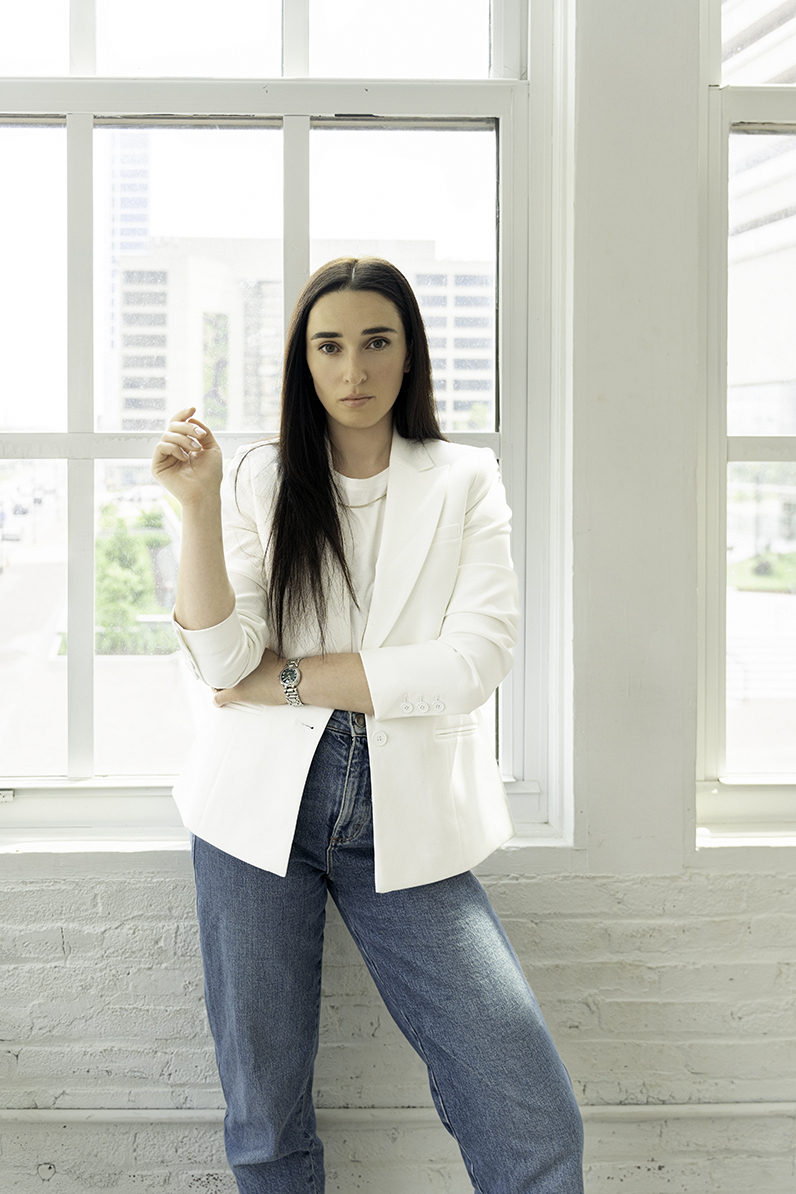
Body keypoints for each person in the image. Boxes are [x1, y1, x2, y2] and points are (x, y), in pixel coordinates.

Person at [152, 257, 583, 1193]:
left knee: (531, 1117)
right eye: (330, 345)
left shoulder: (465, 478)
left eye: (376, 342)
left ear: (410, 354)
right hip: (252, 816)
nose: (354, 370)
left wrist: (295, 677)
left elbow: (475, 661)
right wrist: (194, 507)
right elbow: (225, 665)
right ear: (304, 363)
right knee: (266, 1122)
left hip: (406, 818)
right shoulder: (262, 479)